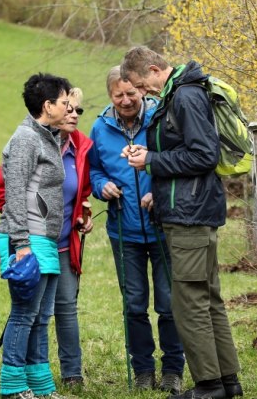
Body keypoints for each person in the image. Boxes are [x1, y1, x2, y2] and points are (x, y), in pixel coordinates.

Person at [120, 46, 243, 399]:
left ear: (156, 70)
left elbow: (204, 154)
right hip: (194, 210)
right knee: (208, 298)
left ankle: (209, 386)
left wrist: (152, 160)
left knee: (188, 302)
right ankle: (228, 381)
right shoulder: (183, 93)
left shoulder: (185, 97)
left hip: (190, 214)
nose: (143, 95)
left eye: (142, 86)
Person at [87, 66, 185, 394]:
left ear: (141, 90)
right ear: (110, 96)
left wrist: (157, 190)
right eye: (119, 95)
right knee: (134, 303)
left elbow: (176, 159)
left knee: (169, 302)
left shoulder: (160, 118)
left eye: (132, 93)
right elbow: (95, 171)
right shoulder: (99, 128)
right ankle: (142, 369)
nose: (127, 100)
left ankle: (173, 368)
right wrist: (103, 187)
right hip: (123, 230)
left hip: (162, 226)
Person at [0, 87, 94, 388]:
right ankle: (13, 385)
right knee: (24, 315)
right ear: (48, 106)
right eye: (65, 104)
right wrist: (21, 244)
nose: (71, 110)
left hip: (48, 241)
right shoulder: (25, 138)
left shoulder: (46, 137)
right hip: (29, 240)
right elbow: (14, 194)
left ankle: (41, 385)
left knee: (41, 317)